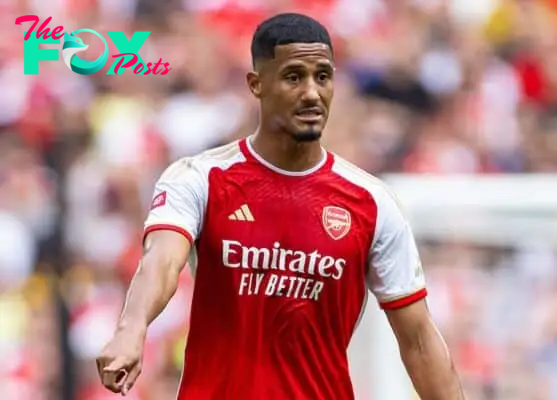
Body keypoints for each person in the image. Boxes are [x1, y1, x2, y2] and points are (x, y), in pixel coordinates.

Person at [96, 12, 464, 399]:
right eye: (293, 77)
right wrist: (131, 329)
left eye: (323, 76)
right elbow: (162, 262)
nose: (311, 92)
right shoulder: (200, 178)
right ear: (257, 84)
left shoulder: (372, 203)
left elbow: (419, 339)